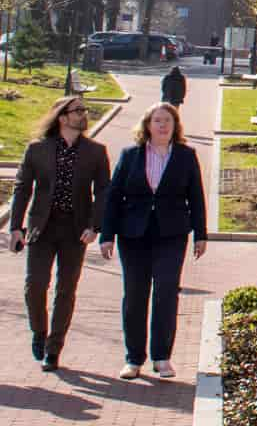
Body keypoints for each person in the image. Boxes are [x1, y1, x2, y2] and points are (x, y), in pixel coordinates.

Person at [99, 102, 207, 381]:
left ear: (175, 126)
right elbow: (113, 196)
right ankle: (133, 358)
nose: (162, 125)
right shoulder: (131, 155)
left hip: (171, 234)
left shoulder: (186, 155)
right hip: (133, 234)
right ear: (147, 125)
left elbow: (196, 195)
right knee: (134, 295)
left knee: (165, 292)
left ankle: (162, 357)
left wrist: (201, 233)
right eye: (157, 120)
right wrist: (107, 235)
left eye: (168, 121)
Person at [9, 94, 110, 371]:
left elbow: (103, 191)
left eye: (84, 110)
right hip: (43, 226)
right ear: (62, 117)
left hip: (75, 229)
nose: (83, 114)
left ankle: (54, 349)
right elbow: (22, 189)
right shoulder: (37, 149)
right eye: (77, 111)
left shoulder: (95, 151)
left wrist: (95, 226)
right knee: (35, 286)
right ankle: (39, 332)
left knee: (66, 290)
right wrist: (15, 227)